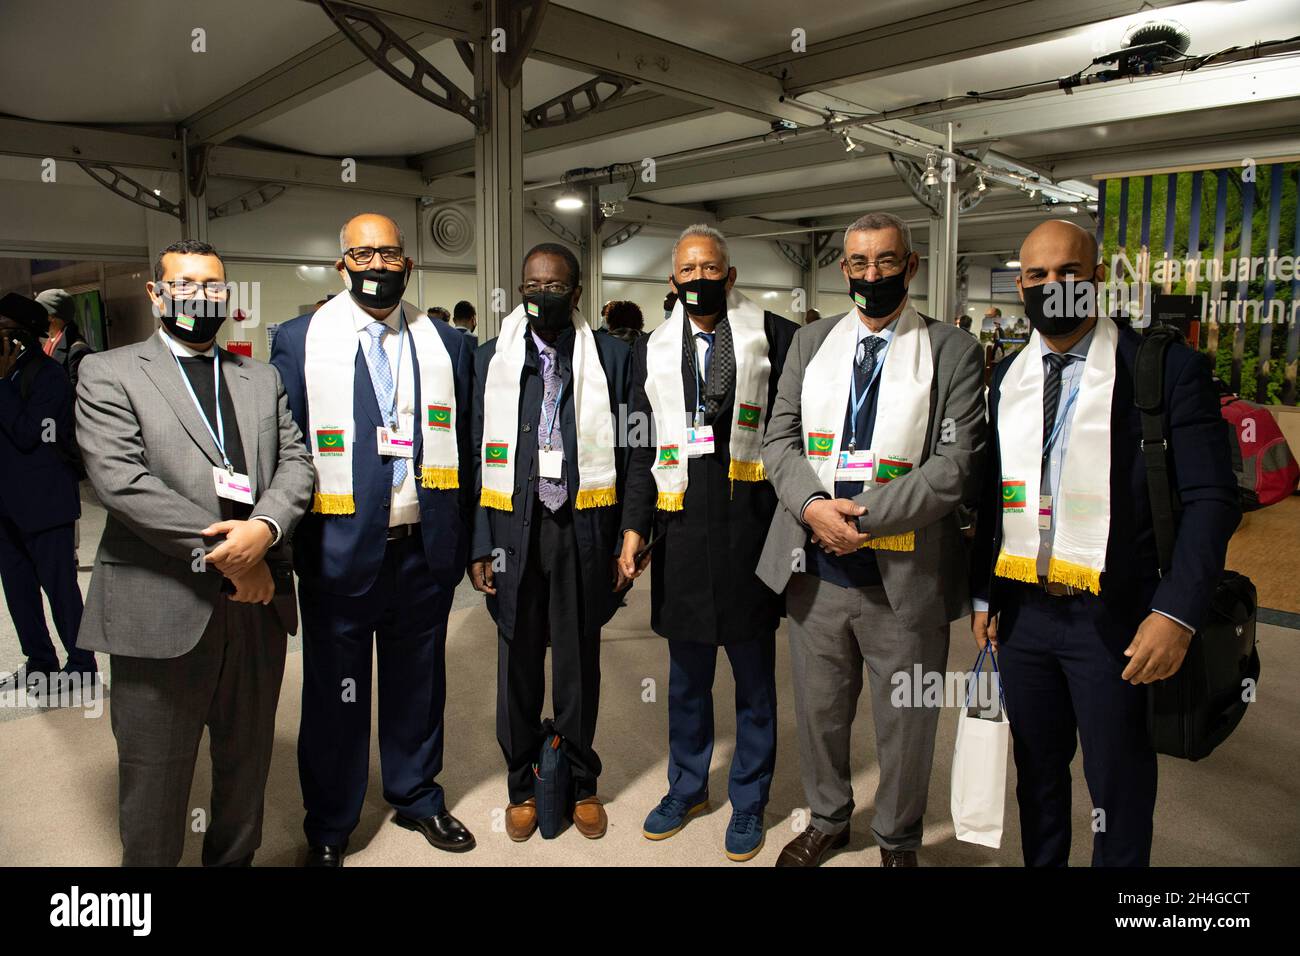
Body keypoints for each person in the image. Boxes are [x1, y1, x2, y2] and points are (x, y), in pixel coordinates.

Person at [969, 220, 1240, 866]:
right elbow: (991, 491)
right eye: (1035, 276)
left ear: (1096, 279)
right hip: (1027, 615)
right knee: (1036, 775)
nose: (1051, 287)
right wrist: (984, 594)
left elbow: (1212, 499)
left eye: (1068, 272)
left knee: (1116, 785)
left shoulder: (1161, 369)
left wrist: (1176, 612)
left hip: (1117, 614)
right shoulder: (1008, 378)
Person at [75, 239, 314, 866]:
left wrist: (264, 526)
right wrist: (241, 555)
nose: (200, 296)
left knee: (245, 770)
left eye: (212, 285)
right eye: (183, 284)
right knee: (154, 783)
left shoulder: (260, 378)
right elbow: (122, 482)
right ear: (156, 294)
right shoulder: (110, 372)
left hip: (254, 617)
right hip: (161, 606)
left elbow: (296, 463)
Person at [757, 211, 986, 867]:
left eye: (886, 261)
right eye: (858, 262)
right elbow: (779, 441)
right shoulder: (811, 343)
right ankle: (828, 818)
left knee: (907, 723)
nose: (871, 274)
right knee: (821, 714)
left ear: (910, 266)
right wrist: (813, 507)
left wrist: (862, 519)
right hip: (814, 569)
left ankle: (897, 838)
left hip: (904, 576)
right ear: (843, 269)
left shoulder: (952, 351)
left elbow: (954, 468)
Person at [272, 214, 477, 866]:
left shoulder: (448, 342)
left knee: (419, 680)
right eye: (363, 252)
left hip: (424, 546)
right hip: (340, 547)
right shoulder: (300, 341)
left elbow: (468, 450)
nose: (377, 263)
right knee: (337, 690)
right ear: (342, 264)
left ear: (408, 263)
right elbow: (289, 450)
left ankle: (417, 794)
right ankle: (331, 822)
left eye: (389, 251)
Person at [618, 224, 796, 861]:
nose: (699, 280)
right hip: (683, 532)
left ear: (731, 274)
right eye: (687, 272)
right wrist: (635, 528)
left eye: (709, 268)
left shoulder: (775, 336)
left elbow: (793, 439)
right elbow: (641, 448)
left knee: (754, 680)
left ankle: (749, 799)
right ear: (672, 282)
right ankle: (686, 786)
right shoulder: (651, 350)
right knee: (687, 681)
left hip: (751, 529)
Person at [469, 242, 633, 842]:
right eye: (531, 285)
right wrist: (480, 542)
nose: (542, 295)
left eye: (554, 286)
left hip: (582, 528)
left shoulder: (612, 359)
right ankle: (521, 783)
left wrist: (630, 533)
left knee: (578, 660)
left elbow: (636, 453)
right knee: (516, 660)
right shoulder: (492, 360)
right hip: (514, 528)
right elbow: (470, 458)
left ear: (578, 291)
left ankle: (582, 780)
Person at [0, 293, 94, 691]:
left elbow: (27, 434)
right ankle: (39, 661)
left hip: (46, 505)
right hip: (6, 506)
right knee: (18, 590)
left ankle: (82, 663)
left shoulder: (49, 376)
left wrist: (2, 381)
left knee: (60, 588)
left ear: (19, 337)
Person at [36, 289, 94, 390]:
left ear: (51, 317)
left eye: (39, 313)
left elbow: (77, 394)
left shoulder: (78, 350)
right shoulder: (46, 342)